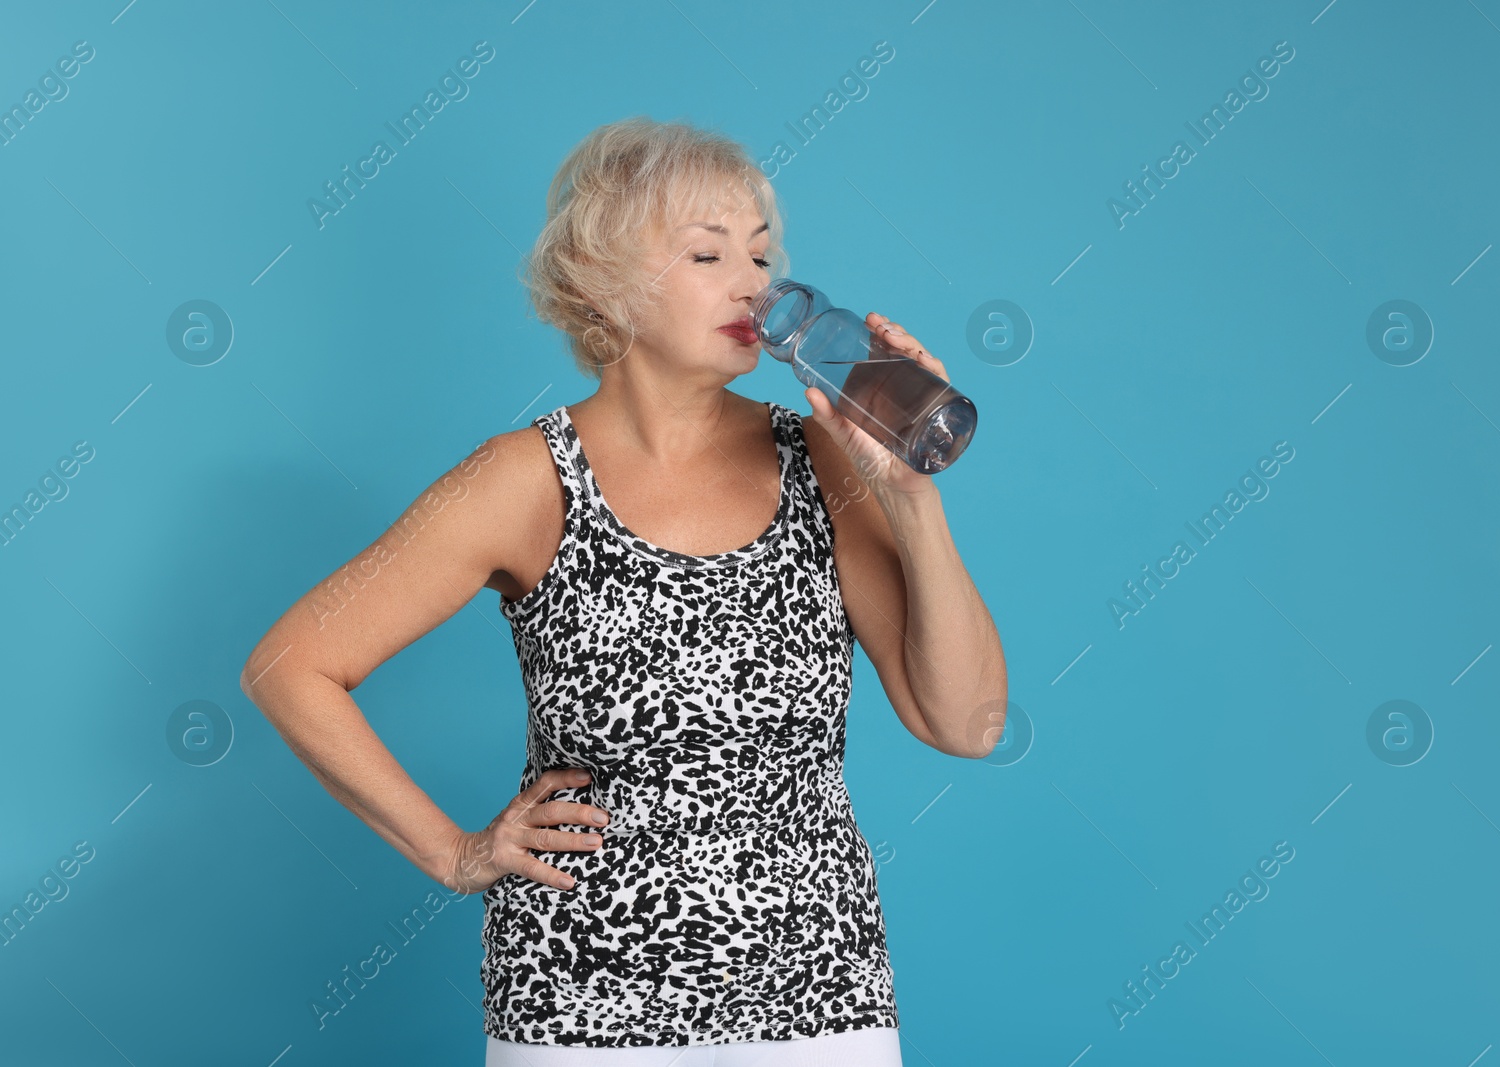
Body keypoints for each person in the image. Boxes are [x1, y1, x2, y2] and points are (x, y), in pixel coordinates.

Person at [239, 116, 1007, 1066]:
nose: (753, 285)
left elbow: (966, 724)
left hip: (817, 995)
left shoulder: (821, 459)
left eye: (761, 254)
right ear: (603, 279)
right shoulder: (524, 480)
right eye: (707, 252)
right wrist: (452, 852)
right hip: (578, 1006)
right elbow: (290, 664)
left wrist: (910, 499)